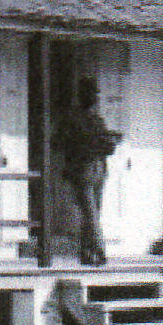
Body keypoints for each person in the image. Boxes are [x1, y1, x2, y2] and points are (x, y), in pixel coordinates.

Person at [56, 76, 122, 266]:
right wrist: (88, 144)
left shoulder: (96, 119)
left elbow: (108, 146)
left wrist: (107, 141)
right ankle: (99, 251)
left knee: (93, 213)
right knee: (90, 213)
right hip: (82, 170)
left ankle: (87, 252)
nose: (93, 98)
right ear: (82, 95)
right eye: (90, 93)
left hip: (98, 170)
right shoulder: (73, 119)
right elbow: (59, 142)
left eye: (94, 94)